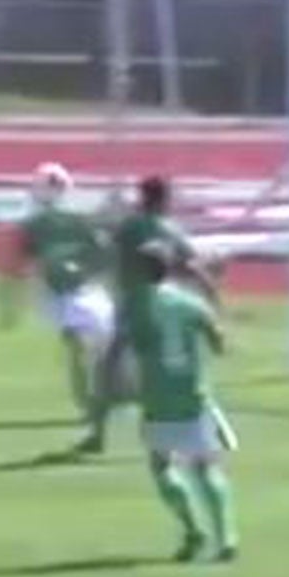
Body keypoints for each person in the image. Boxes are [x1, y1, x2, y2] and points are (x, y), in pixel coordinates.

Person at [131, 241, 238, 563]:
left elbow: (127, 348)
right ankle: (226, 538)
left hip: (156, 395)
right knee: (206, 468)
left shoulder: (136, 305)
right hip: (193, 393)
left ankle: (193, 530)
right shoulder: (191, 304)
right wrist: (213, 294)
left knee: (162, 466)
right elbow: (220, 344)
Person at [77, 175, 196, 456]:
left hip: (131, 311)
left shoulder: (130, 226)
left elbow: (104, 249)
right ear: (164, 200)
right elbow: (188, 263)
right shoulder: (170, 229)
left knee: (107, 375)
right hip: (163, 313)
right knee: (160, 378)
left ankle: (98, 436)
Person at [0, 163, 113, 418]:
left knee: (99, 350)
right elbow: (18, 263)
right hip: (59, 293)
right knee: (79, 346)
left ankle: (98, 399)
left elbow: (104, 253)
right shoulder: (37, 223)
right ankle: (90, 405)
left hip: (85, 291)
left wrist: (84, 269)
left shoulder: (75, 218)